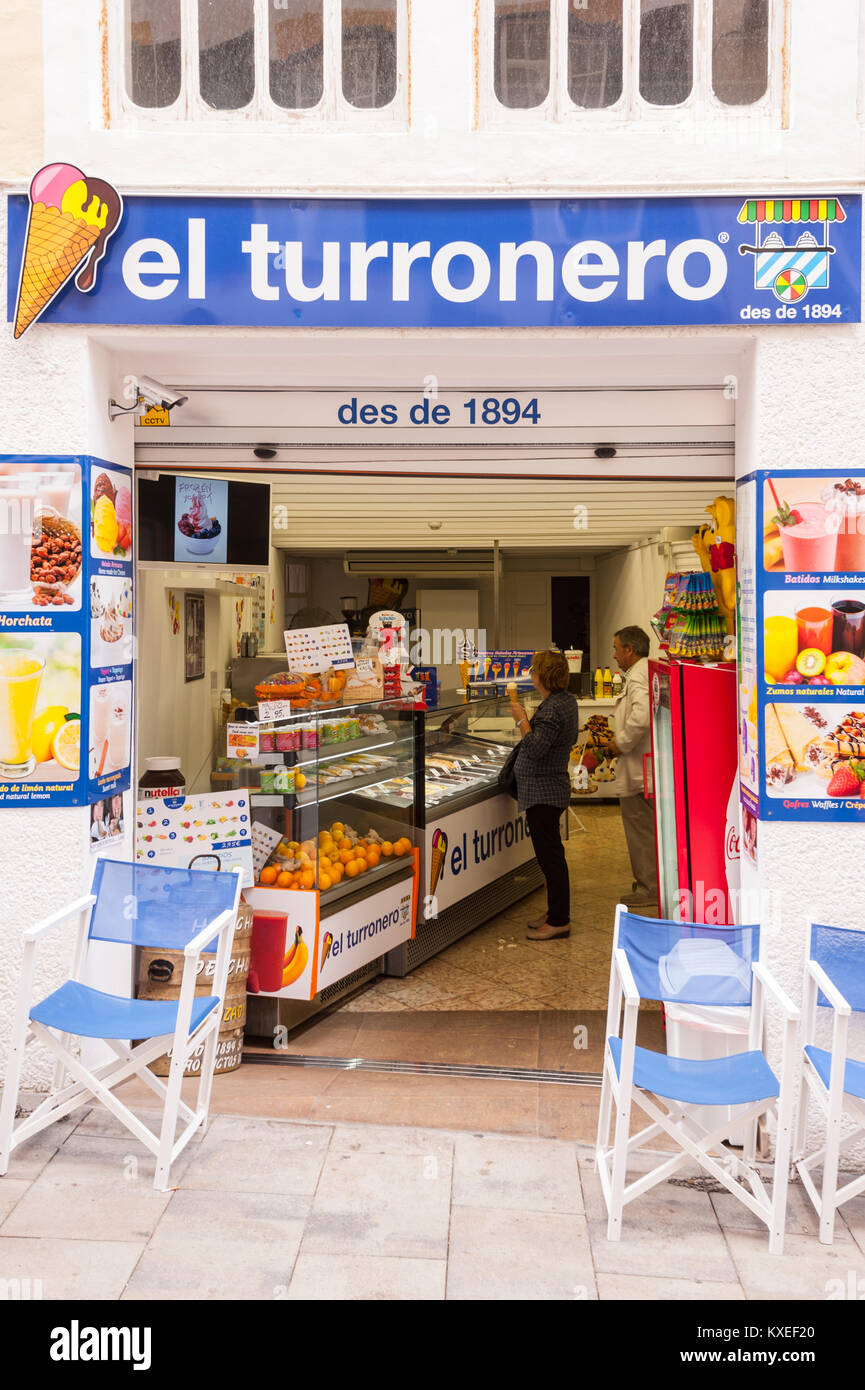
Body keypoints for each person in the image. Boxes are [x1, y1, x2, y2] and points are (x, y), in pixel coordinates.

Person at [509, 650, 579, 940]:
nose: (531, 674)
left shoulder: (551, 709)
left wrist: (522, 720)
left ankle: (560, 919)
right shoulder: (565, 701)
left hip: (543, 791)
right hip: (550, 787)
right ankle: (553, 911)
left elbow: (536, 748)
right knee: (552, 856)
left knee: (550, 858)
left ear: (542, 675)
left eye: (534, 669)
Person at [608, 625, 658, 910]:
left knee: (640, 831)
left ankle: (649, 888)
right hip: (645, 767)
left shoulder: (638, 675)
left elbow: (642, 716)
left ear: (630, 649)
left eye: (617, 649)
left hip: (640, 768)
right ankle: (650, 882)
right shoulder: (644, 671)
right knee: (646, 830)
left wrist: (621, 743)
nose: (614, 655)